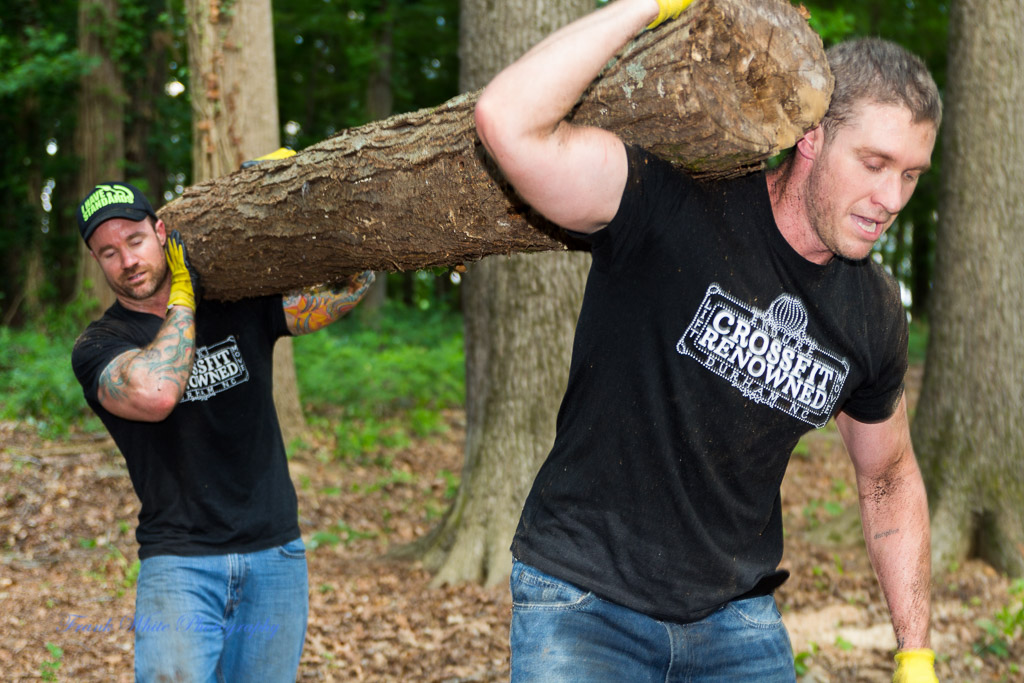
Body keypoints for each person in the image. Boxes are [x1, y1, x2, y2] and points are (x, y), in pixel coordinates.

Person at [474, 1, 941, 681]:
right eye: (875, 162)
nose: (892, 196)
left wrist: (915, 649)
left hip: (735, 620)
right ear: (811, 135)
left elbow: (889, 474)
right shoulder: (673, 202)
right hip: (585, 598)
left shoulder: (871, 312)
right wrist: (650, 4)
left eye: (910, 174)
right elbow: (507, 123)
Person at [71, 180, 373, 681]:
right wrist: (184, 299)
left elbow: (341, 290)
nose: (127, 260)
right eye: (108, 252)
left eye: (136, 240)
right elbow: (156, 393)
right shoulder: (101, 345)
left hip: (274, 554)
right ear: (97, 261)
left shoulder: (235, 300)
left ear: (161, 233)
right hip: (180, 563)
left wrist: (301, 197)